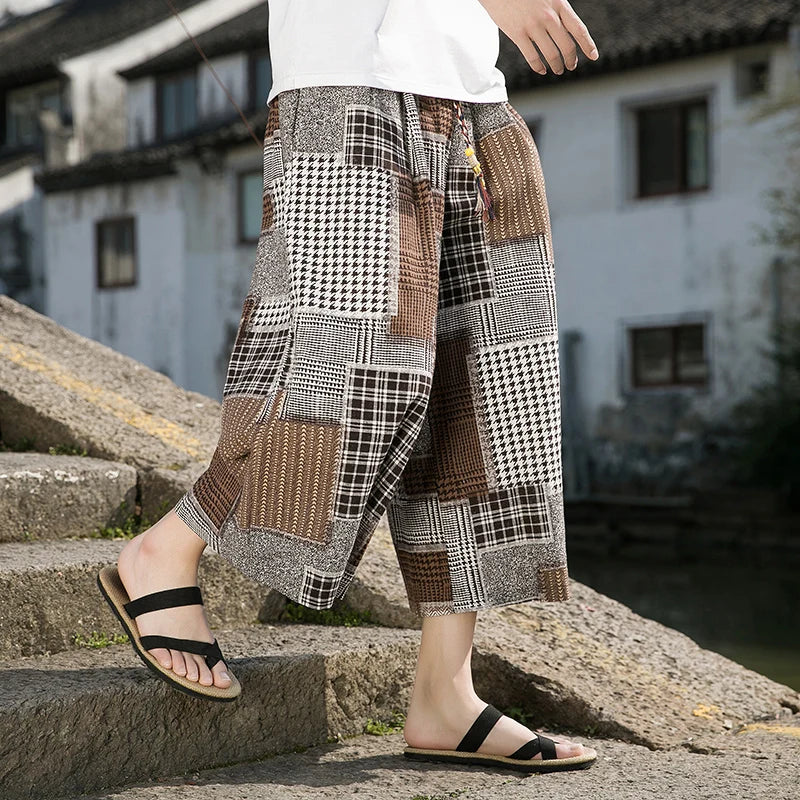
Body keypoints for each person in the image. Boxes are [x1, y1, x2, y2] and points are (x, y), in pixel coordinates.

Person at [98, 0, 601, 774]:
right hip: (350, 80)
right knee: (353, 380)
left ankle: (445, 691)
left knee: (488, 390)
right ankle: (167, 548)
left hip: (471, 91)